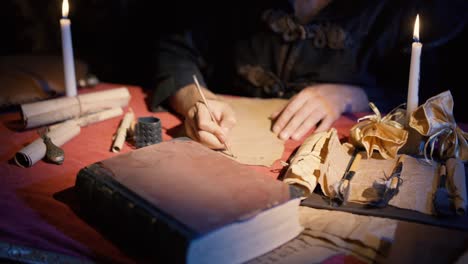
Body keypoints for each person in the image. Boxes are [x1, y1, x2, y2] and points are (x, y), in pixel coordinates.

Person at [151, 0, 467, 150]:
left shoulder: (410, 8)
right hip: (230, 144)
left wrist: (353, 95)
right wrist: (196, 100)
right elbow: (176, 49)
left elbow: (435, 94)